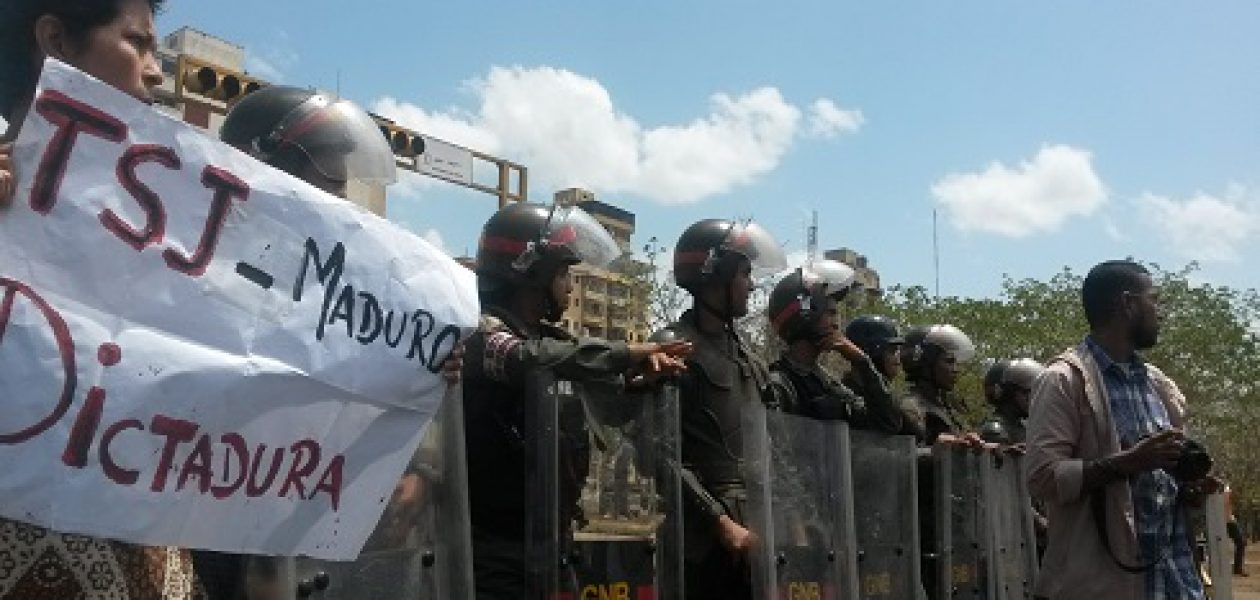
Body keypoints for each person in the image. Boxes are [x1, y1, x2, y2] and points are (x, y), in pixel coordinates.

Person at [0, 2, 206, 598]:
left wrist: (404, 366)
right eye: (137, 44)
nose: (156, 73)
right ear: (57, 40)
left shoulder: (178, 232)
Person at [461, 202, 690, 599]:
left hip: (554, 542)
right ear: (531, 271)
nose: (570, 285)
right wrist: (626, 352)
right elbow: (526, 359)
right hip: (495, 547)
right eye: (563, 273)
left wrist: (643, 381)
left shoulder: (558, 344)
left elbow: (607, 408)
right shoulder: (484, 333)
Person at [1027, 260, 1212, 600]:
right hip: (1105, 582)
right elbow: (1042, 477)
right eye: (1154, 299)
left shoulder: (1156, 383)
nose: (1162, 311)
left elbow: (1159, 481)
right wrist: (1131, 462)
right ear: (1126, 303)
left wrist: (1189, 485)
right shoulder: (1064, 380)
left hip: (1175, 576)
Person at [657, 218, 786, 600]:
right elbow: (657, 449)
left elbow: (776, 443)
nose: (752, 284)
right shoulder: (674, 347)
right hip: (701, 542)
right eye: (744, 273)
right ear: (716, 275)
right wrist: (720, 522)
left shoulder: (748, 356)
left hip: (758, 525)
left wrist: (798, 517)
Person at [763, 261, 902, 433]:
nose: (836, 324)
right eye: (830, 313)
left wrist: (862, 362)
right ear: (805, 315)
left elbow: (888, 424)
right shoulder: (779, 384)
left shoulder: (827, 384)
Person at [980, 358, 1044, 446]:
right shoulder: (996, 431)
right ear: (1009, 394)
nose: (1034, 397)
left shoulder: (1022, 428)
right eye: (1027, 392)